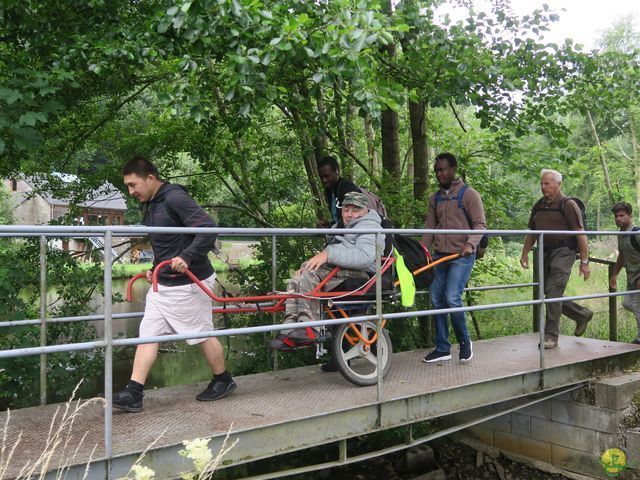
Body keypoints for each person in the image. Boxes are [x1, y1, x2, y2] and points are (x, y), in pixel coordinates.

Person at [114, 156, 235, 412]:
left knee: (200, 333)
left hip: (190, 282)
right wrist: (152, 269)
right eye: (128, 186)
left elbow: (208, 228)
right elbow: (165, 243)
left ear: (150, 178)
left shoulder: (174, 198)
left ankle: (223, 379)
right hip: (164, 282)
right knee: (148, 334)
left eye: (133, 185)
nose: (131, 191)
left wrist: (187, 257)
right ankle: (133, 393)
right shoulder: (152, 203)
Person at [270, 192, 385, 348]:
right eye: (346, 210)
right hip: (341, 267)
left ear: (365, 210)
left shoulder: (370, 227)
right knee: (300, 275)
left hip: (362, 272)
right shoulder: (341, 227)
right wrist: (307, 264)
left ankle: (309, 327)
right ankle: (289, 327)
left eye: (355, 210)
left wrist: (328, 254)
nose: (349, 214)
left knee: (309, 275)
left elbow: (364, 257)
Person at [421, 153, 486, 363]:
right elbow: (429, 230)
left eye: (443, 169)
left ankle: (465, 342)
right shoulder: (435, 199)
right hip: (440, 255)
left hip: (462, 255)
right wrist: (422, 252)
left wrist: (470, 244)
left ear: (453, 169)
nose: (440, 174)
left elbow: (480, 225)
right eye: (437, 171)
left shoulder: (469, 195)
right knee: (436, 298)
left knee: (452, 298)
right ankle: (442, 348)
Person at [520, 169, 593, 349]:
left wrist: (585, 262)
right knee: (549, 292)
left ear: (558, 185)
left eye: (547, 184)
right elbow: (533, 232)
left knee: (554, 292)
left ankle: (550, 336)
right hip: (544, 251)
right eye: (542, 183)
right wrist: (524, 253)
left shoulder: (567, 205)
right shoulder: (538, 205)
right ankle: (582, 315)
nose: (543, 187)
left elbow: (580, 234)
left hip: (564, 251)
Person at [609, 202, 640, 345]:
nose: (619, 219)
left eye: (622, 215)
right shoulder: (621, 234)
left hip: (639, 276)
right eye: (616, 216)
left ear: (630, 216)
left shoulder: (636, 233)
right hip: (631, 277)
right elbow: (622, 255)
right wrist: (615, 274)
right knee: (627, 304)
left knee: (637, 306)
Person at [317, 155, 363, 226]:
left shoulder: (347, 187)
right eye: (321, 177)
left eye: (327, 176)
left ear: (337, 170)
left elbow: (353, 219)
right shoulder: (329, 191)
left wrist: (331, 229)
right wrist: (329, 225)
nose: (324, 180)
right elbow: (339, 219)